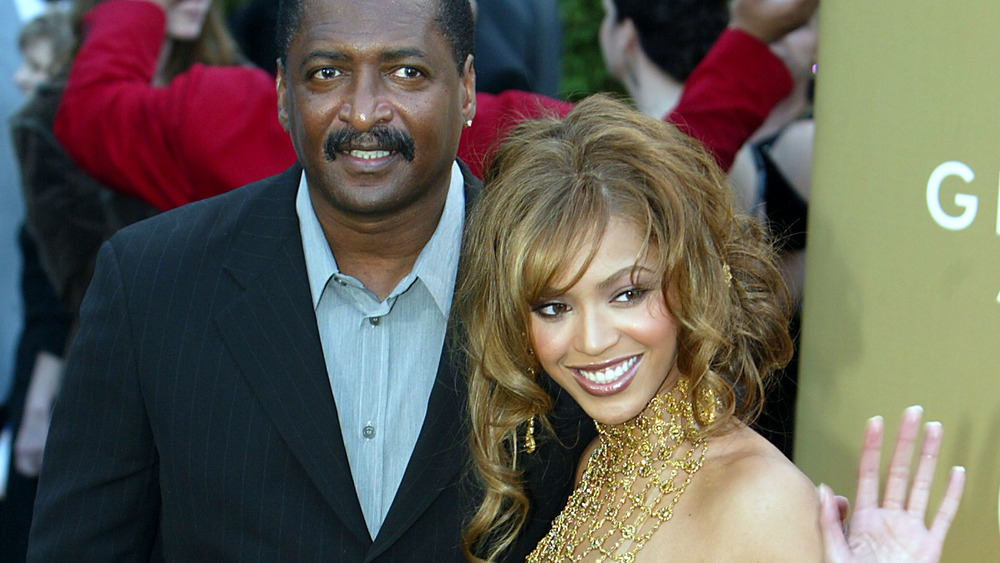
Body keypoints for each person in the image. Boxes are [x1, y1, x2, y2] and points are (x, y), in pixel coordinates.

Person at [29, 0, 819, 560]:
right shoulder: (151, 284)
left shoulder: (549, 287)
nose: (365, 111)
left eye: (407, 72)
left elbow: (647, 193)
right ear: (279, 90)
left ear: (470, 89)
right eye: (328, 72)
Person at [458, 94, 965, 562]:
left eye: (629, 294)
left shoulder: (761, 503)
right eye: (553, 307)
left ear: (695, 281)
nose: (591, 342)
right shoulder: (599, 458)